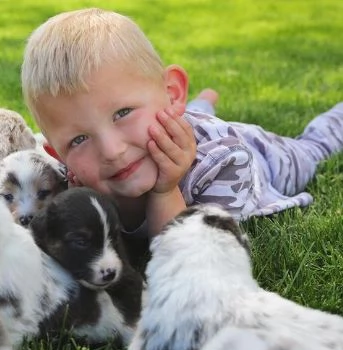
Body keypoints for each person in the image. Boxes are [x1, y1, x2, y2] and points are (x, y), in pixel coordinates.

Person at [21, 8, 343, 238]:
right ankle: (203, 103)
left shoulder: (225, 162)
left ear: (172, 92)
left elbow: (185, 253)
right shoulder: (69, 179)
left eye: (122, 113)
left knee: (313, 147)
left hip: (262, 154)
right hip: (183, 124)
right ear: (59, 155)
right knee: (175, 120)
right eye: (78, 140)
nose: (111, 150)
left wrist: (166, 190)